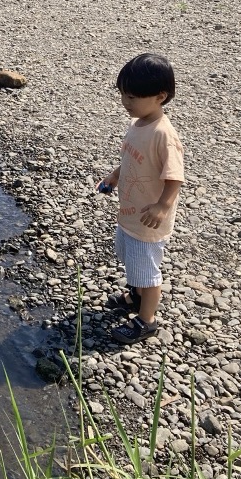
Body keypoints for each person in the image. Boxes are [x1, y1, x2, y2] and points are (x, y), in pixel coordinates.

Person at [97, 53, 185, 345]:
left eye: (132, 97)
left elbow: (174, 177)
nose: (125, 102)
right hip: (130, 213)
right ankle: (135, 296)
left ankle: (147, 321)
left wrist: (162, 206)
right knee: (128, 257)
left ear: (160, 96)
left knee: (148, 271)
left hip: (148, 220)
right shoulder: (138, 123)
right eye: (122, 94)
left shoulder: (163, 134)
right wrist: (114, 176)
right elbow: (130, 159)